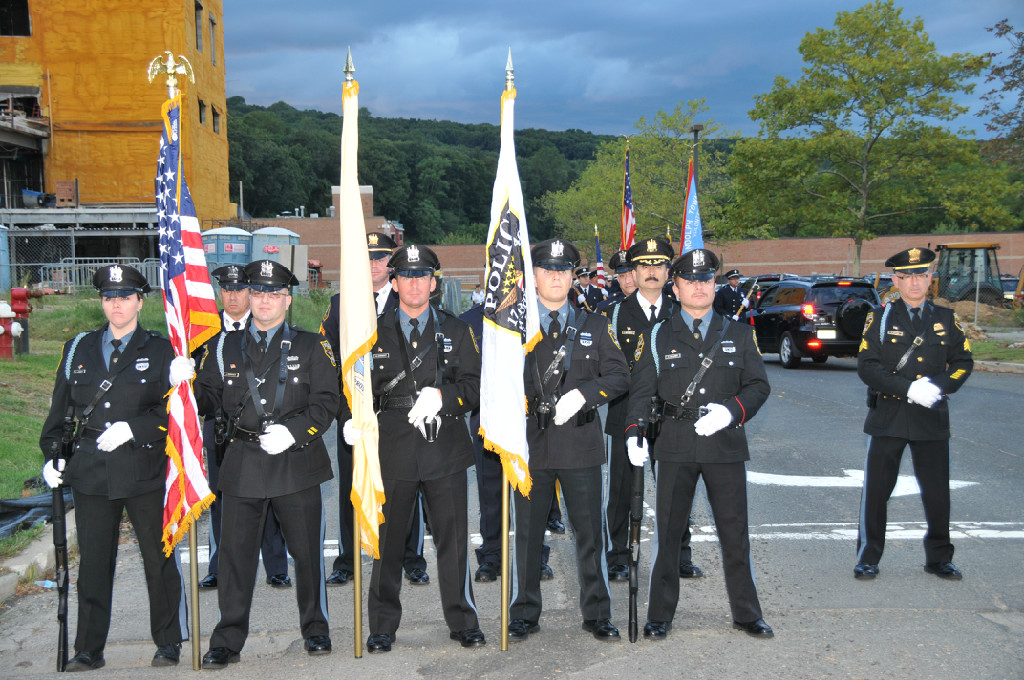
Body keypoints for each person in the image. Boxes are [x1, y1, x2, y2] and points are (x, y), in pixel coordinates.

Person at [40, 264, 187, 670]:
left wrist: (135, 428)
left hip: (143, 470)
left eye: (124, 297)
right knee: (93, 563)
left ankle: (168, 641)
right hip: (91, 473)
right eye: (109, 297)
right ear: (101, 302)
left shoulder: (160, 350)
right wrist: (52, 455)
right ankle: (88, 648)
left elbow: (174, 411)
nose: (116, 304)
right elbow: (60, 414)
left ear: (141, 301)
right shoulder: (77, 349)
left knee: (158, 560)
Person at [195, 259, 339, 668]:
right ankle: (227, 640)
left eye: (272, 294)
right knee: (235, 559)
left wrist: (294, 432)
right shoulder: (222, 346)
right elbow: (206, 401)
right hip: (242, 464)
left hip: (295, 463)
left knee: (307, 555)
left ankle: (316, 629)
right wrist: (185, 383)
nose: (262, 300)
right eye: (256, 293)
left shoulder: (312, 345)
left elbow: (327, 401)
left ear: (286, 300)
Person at [627, 248, 774, 640]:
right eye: (690, 281)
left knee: (734, 532)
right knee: (669, 533)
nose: (699, 287)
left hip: (724, 443)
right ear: (675, 287)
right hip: (674, 443)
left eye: (706, 280)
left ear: (714, 284)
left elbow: (759, 385)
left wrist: (732, 412)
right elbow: (641, 393)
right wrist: (634, 433)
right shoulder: (657, 335)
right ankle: (659, 613)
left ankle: (747, 613)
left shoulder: (740, 333)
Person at [355, 244, 484, 653]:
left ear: (434, 282)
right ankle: (381, 626)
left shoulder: (457, 330)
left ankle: (463, 619)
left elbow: (476, 387)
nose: (414, 284)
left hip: (444, 445)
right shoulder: (369, 331)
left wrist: (444, 398)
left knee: (453, 541)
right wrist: (352, 422)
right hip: (391, 446)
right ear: (393, 283)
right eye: (405, 276)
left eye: (422, 276)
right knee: (388, 543)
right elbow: (354, 390)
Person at [509, 238, 630, 643]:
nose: (556, 276)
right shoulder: (512, 327)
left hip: (579, 444)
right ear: (534, 276)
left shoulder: (594, 325)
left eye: (563, 270)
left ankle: (597, 613)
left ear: (573, 276)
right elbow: (494, 382)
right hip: (529, 442)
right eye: (547, 269)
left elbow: (619, 376)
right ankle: (524, 611)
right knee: (527, 535)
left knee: (588, 534)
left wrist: (585, 394)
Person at [854, 247, 973, 581]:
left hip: (931, 418)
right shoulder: (880, 318)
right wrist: (907, 389)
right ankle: (868, 556)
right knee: (877, 492)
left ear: (930, 279)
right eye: (908, 277)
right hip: (889, 416)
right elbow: (867, 367)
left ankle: (939, 558)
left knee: (937, 493)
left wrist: (940, 388)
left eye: (922, 275)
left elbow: (964, 362)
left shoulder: (946, 320)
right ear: (897, 280)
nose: (916, 283)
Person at [319, 231, 430, 588]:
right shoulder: (341, 305)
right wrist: (342, 412)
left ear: (392, 264)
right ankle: (349, 559)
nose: (374, 265)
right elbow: (328, 361)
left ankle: (411, 558)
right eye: (367, 259)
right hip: (355, 414)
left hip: (400, 412)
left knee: (408, 486)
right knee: (354, 484)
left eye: (381, 258)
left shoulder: (409, 300)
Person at [602, 237, 702, 583]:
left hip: (674, 416)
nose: (651, 272)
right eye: (644, 265)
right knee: (621, 491)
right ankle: (616, 555)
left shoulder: (684, 310)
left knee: (676, 489)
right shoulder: (613, 314)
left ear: (668, 271)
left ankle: (679, 553)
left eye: (658, 265)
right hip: (626, 413)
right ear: (634, 270)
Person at [198, 265, 290, 591]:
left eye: (239, 289)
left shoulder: (267, 327)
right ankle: (219, 566)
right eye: (227, 289)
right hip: (220, 429)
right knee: (221, 498)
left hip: (262, 427)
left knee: (270, 495)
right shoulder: (203, 334)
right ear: (220, 293)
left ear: (250, 293)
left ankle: (277, 565)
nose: (233, 296)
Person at [458, 302, 554, 584]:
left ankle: (535, 557)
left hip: (528, 419)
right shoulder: (470, 320)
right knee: (490, 493)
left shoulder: (531, 313)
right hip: (487, 418)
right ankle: (491, 556)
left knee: (530, 493)